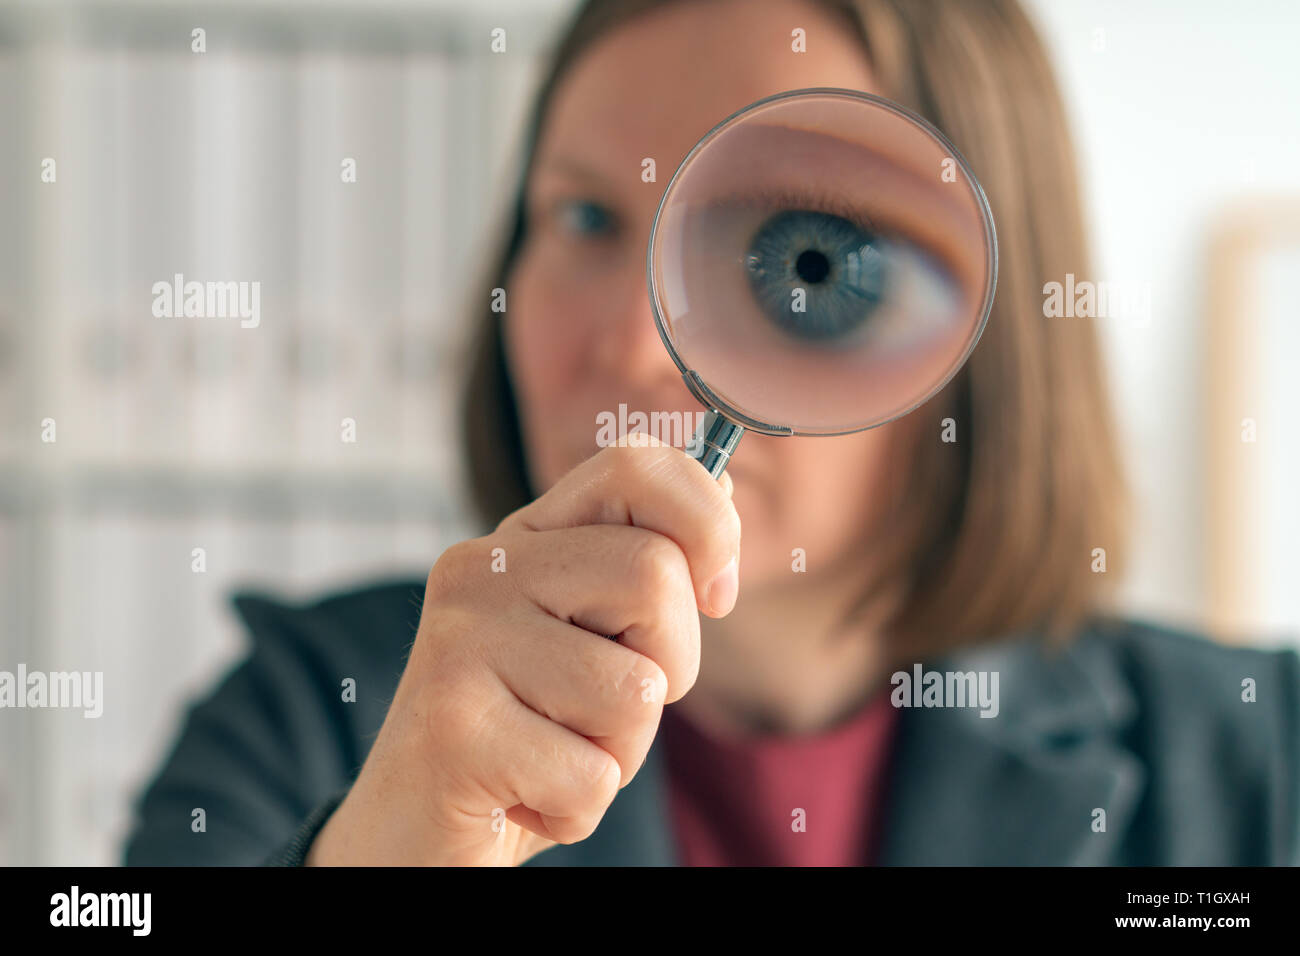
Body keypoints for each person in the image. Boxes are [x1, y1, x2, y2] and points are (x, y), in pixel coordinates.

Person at [122, 0, 1300, 866]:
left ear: (987, 332)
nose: (639, 345)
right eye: (583, 215)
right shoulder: (309, 717)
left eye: (801, 247)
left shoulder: (1261, 757)